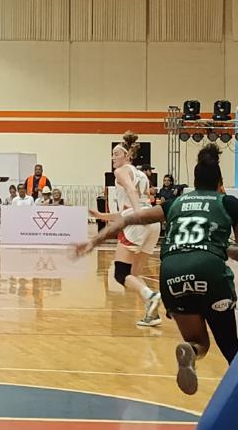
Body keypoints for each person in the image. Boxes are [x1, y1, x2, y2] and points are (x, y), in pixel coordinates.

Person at [76, 145, 238, 395]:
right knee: (232, 352)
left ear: (194, 182)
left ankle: (191, 353)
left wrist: (93, 241)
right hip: (210, 271)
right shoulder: (227, 202)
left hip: (172, 273)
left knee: (198, 342)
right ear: (220, 182)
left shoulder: (174, 203)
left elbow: (129, 218)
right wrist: (219, 249)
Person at [91, 132, 163, 327]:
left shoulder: (121, 172)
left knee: (120, 274)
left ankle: (152, 295)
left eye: (116, 154)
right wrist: (101, 216)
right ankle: (152, 313)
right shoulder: (142, 175)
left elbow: (131, 194)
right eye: (112, 154)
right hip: (152, 222)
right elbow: (127, 210)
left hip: (138, 221)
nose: (113, 158)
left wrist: (138, 214)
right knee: (134, 275)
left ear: (127, 156)